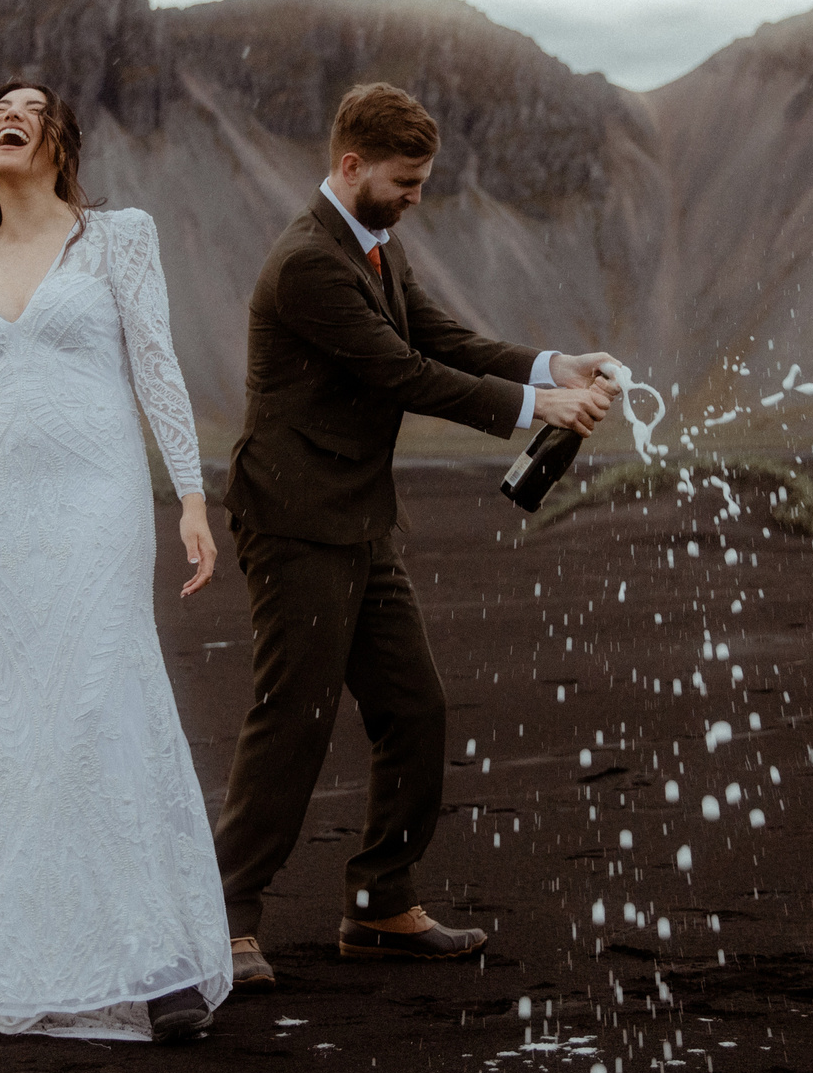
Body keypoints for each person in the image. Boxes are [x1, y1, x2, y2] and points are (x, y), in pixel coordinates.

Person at [213, 81, 612, 986]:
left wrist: (556, 363)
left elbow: (448, 340)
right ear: (350, 165)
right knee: (293, 719)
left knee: (415, 707)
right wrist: (535, 406)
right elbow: (402, 373)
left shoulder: (376, 248)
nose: (416, 198)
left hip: (360, 522)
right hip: (294, 522)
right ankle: (226, 919)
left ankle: (380, 906)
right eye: (406, 181)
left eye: (423, 182)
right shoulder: (309, 263)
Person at [0, 80, 230, 1043]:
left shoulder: (119, 237)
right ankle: (12, 945)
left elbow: (156, 362)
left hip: (99, 500)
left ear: (58, 141)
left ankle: (158, 962)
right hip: (1, 518)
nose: (12, 113)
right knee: (20, 715)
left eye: (32, 106)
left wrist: (191, 499)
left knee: (101, 698)